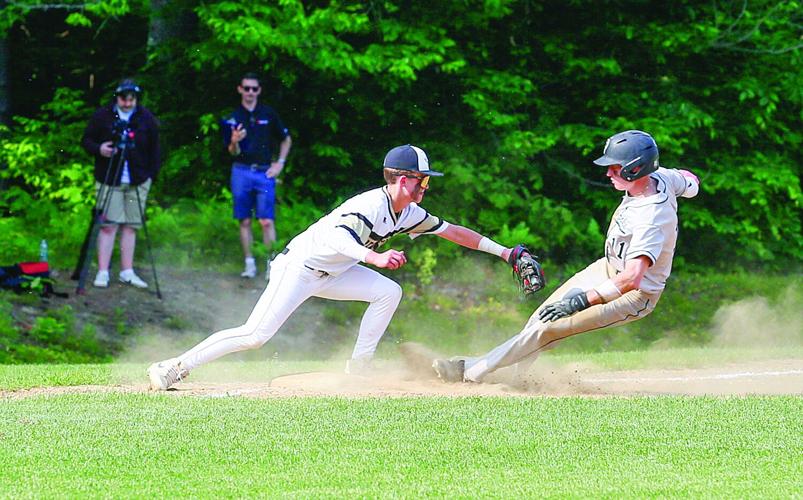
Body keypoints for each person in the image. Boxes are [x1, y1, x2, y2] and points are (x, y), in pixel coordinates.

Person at [148, 144, 516, 390]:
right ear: (403, 179)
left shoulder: (408, 211)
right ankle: (175, 366)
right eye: (422, 180)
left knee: (388, 292)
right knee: (256, 335)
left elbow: (452, 232)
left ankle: (359, 368)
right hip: (300, 268)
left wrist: (505, 253)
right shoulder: (370, 206)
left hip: (335, 273)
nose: (425, 187)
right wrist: (374, 257)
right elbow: (336, 240)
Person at [432, 130, 701, 383]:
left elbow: (632, 278)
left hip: (633, 294)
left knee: (547, 329)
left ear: (636, 168)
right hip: (607, 269)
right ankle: (516, 380)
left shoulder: (652, 217)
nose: (608, 172)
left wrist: (582, 301)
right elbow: (689, 180)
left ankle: (468, 370)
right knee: (540, 318)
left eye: (615, 167)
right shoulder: (661, 177)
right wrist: (691, 186)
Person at [81, 78, 161, 289]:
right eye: (123, 99)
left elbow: (155, 149)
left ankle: (127, 271)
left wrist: (151, 175)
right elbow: (86, 140)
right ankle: (103, 271)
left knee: (131, 225)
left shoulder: (146, 118)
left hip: (138, 179)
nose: (127, 103)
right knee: (109, 225)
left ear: (136, 99)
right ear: (117, 97)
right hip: (109, 178)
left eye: (131, 99)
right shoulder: (103, 116)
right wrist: (101, 149)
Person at [222, 72, 292, 279]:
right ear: (240, 89)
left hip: (264, 171)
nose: (250, 92)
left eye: (254, 88)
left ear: (259, 90)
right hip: (241, 170)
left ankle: (272, 264)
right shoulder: (233, 117)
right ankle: (249, 263)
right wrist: (234, 140)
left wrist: (280, 163)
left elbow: (286, 139)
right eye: (247, 88)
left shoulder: (268, 113)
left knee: (266, 220)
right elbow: (231, 152)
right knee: (244, 220)